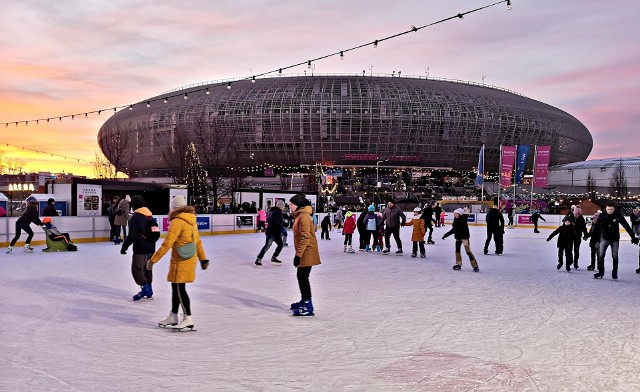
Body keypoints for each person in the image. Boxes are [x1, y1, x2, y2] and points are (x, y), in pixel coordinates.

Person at [147, 195, 209, 331]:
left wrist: (153, 260)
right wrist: (203, 259)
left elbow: (167, 244)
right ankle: (174, 316)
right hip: (188, 258)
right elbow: (197, 242)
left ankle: (188, 318)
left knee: (180, 288)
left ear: (173, 208)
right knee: (176, 287)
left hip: (182, 260)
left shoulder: (177, 221)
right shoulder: (192, 220)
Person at [288, 193, 321, 317]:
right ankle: (304, 300)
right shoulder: (300, 216)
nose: (290, 206)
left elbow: (305, 237)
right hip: (305, 251)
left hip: (307, 251)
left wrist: (298, 255)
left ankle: (308, 305)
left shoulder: (304, 217)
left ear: (298, 205)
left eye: (292, 204)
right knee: (301, 276)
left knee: (303, 277)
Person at [120, 195, 158, 301]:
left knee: (137, 269)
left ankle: (146, 289)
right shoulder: (149, 215)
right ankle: (149, 289)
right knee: (147, 269)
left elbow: (131, 236)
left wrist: (124, 248)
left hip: (140, 249)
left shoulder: (135, 218)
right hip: (151, 248)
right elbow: (155, 232)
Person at [592, 202, 638, 280]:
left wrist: (633, 237)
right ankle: (601, 272)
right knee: (601, 255)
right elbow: (596, 228)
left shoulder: (618, 216)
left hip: (614, 239)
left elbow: (626, 226)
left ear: (614, 209)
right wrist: (594, 240)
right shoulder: (602, 216)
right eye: (608, 209)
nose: (609, 211)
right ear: (605, 209)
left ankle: (614, 272)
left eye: (611, 209)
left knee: (615, 256)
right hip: (604, 238)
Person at [255, 200, 285, 266]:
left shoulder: (274, 211)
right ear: (281, 206)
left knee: (280, 244)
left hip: (275, 232)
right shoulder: (277, 212)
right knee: (268, 245)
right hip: (272, 232)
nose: (284, 208)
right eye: (283, 206)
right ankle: (259, 258)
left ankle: (274, 257)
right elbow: (277, 223)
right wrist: (282, 229)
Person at [563, 204, 588, 269]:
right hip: (570, 236)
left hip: (577, 236)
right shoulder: (570, 217)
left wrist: (586, 235)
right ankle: (568, 263)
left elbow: (584, 228)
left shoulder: (582, 219)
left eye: (577, 214)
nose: (575, 215)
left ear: (579, 214)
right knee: (569, 250)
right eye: (574, 214)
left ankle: (575, 263)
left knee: (576, 250)